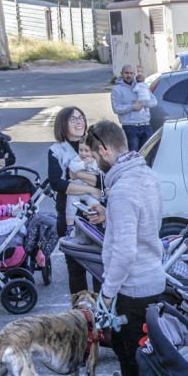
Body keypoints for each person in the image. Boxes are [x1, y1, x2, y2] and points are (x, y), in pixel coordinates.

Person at [82, 121, 172, 376]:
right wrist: (110, 215)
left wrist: (106, 295)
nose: (93, 162)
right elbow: (145, 223)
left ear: (106, 150)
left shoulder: (122, 190)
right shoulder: (144, 175)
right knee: (125, 352)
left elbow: (123, 252)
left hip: (134, 288)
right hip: (147, 280)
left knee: (141, 359)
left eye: (93, 154)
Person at [48, 106, 104, 295]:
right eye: (73, 119)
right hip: (69, 213)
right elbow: (57, 182)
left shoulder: (94, 144)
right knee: (75, 267)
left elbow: (104, 176)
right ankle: (81, 314)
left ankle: (101, 313)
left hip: (96, 213)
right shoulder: (56, 150)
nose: (79, 122)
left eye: (81, 117)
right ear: (63, 124)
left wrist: (80, 179)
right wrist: (91, 188)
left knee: (100, 264)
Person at [111, 64, 155, 152]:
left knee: (149, 155)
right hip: (130, 128)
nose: (129, 75)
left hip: (146, 126)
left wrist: (142, 103)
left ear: (134, 74)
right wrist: (132, 107)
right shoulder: (117, 89)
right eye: (126, 73)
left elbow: (154, 102)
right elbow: (116, 108)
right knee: (133, 156)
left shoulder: (141, 86)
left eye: (131, 73)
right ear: (122, 74)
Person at [64, 141, 100, 235]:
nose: (83, 153)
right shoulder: (77, 159)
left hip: (90, 193)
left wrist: (93, 164)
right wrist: (83, 164)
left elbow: (100, 173)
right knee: (70, 204)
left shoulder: (96, 161)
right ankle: (70, 227)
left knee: (95, 206)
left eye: (86, 151)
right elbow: (73, 168)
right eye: (81, 150)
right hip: (77, 190)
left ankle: (94, 225)